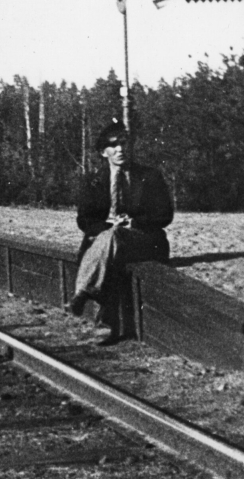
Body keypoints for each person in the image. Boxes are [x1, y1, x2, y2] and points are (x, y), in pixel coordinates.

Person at [66, 120, 173, 337]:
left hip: (144, 240)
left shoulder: (150, 176)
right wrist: (108, 226)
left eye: (123, 143)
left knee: (112, 239)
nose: (120, 149)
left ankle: (83, 293)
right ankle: (105, 321)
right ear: (103, 152)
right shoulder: (94, 180)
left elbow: (165, 215)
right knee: (112, 241)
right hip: (109, 241)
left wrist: (135, 223)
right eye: (113, 145)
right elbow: (84, 220)